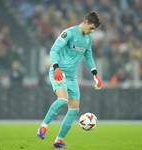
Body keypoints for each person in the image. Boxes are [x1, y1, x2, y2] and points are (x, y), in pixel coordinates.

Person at [37, 11, 102, 148]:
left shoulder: (88, 39)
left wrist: (95, 74)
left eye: (94, 30)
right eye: (91, 28)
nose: (92, 31)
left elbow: (88, 56)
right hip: (58, 73)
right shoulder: (69, 33)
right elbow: (54, 50)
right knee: (62, 99)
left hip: (71, 77)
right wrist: (56, 68)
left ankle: (58, 140)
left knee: (74, 109)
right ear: (85, 22)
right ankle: (43, 126)